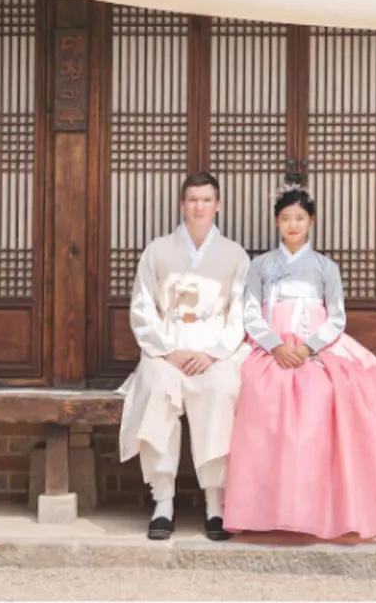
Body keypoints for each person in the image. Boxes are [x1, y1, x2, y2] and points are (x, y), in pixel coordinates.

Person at [224, 184, 376, 539]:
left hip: (316, 348)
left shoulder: (326, 267)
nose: (292, 225)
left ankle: (320, 509)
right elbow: (250, 313)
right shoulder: (261, 265)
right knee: (260, 398)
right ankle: (264, 508)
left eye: (299, 217)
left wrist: (309, 348)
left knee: (330, 394)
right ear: (276, 222)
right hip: (271, 348)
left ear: (311, 221)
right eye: (285, 218)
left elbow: (337, 317)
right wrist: (276, 346)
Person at [118, 172, 250, 541]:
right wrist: (166, 350)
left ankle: (215, 503)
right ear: (182, 204)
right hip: (168, 346)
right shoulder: (158, 250)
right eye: (192, 199)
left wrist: (214, 353)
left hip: (213, 350)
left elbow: (240, 311)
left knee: (221, 392)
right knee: (157, 389)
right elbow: (142, 306)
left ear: (218, 205)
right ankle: (163, 501)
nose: (199, 206)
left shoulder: (234, 254)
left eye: (206, 200)